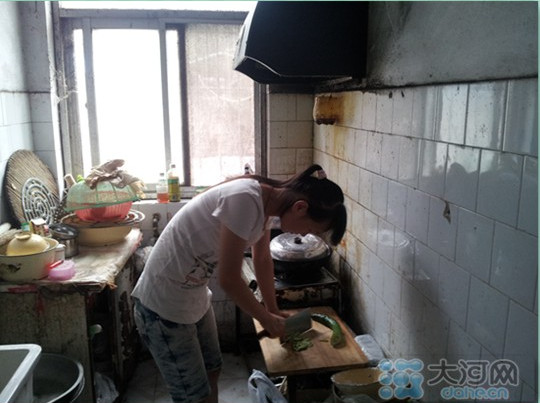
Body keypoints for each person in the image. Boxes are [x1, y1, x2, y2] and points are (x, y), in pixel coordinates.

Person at [131, 164, 347, 403]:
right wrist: (265, 319)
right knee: (193, 396)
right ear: (300, 207)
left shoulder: (267, 204)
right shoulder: (244, 199)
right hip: (162, 303)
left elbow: (262, 258)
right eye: (309, 229)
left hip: (193, 296)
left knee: (213, 369)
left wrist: (273, 310)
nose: (304, 235)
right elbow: (229, 279)